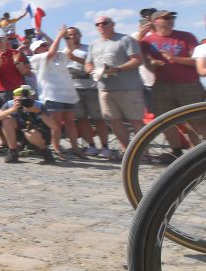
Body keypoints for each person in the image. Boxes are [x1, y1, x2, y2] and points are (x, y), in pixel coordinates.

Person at [140, 10, 205, 161]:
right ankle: (176, 152)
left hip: (188, 84)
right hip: (161, 85)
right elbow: (147, 63)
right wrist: (153, 64)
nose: (170, 20)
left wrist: (173, 58)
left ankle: (198, 154)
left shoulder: (186, 36)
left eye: (172, 17)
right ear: (156, 21)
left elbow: (196, 60)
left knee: (194, 119)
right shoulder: (147, 41)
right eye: (166, 18)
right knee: (164, 120)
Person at [85, 15, 144, 157]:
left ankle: (143, 153)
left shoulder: (126, 39)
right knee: (114, 121)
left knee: (135, 121)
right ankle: (127, 152)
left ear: (113, 24)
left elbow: (137, 60)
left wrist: (117, 69)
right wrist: (91, 71)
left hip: (128, 87)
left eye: (105, 23)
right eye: (97, 24)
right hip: (104, 88)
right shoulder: (94, 44)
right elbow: (88, 63)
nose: (101, 26)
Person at [28, 27, 85, 159]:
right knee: (56, 124)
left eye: (45, 44)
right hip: (52, 94)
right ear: (35, 50)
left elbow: (70, 49)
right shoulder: (36, 59)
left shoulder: (57, 57)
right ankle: (57, 149)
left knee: (71, 122)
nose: (45, 45)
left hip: (67, 94)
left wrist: (65, 37)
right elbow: (52, 51)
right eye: (42, 45)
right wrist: (59, 35)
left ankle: (76, 148)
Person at [63, 26, 112, 156]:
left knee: (98, 119)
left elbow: (95, 65)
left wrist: (74, 58)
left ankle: (105, 146)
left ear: (80, 35)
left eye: (74, 34)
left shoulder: (88, 48)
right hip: (74, 89)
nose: (72, 37)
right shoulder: (63, 52)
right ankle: (91, 145)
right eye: (68, 35)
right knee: (81, 119)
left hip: (91, 88)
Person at [0, 85, 60, 164]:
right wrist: (12, 110)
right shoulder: (10, 104)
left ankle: (45, 151)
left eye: (26, 99)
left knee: (31, 134)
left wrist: (37, 111)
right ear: (14, 97)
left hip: (37, 134)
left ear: (32, 97)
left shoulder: (39, 105)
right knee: (6, 120)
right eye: (20, 99)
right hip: (19, 132)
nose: (23, 102)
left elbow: (54, 126)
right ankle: (13, 152)